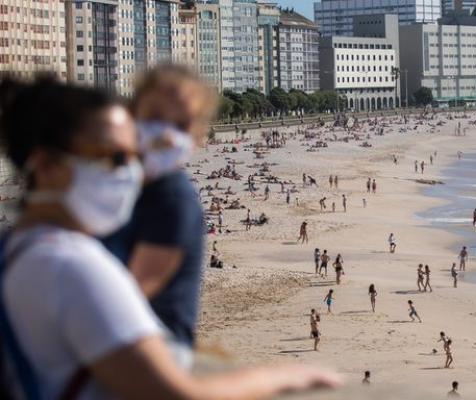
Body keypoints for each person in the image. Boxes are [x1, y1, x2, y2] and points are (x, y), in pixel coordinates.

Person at [0, 77, 340, 398]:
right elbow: (174, 393)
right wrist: (281, 376)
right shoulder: (73, 266)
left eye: (134, 156)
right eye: (115, 157)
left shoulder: (15, 249)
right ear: (45, 166)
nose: (131, 173)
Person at [101, 66, 215, 358]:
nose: (165, 134)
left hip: (159, 345)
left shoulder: (174, 200)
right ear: (130, 113)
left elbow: (134, 291)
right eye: (153, 117)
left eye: (180, 125)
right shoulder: (119, 184)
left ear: (199, 135)